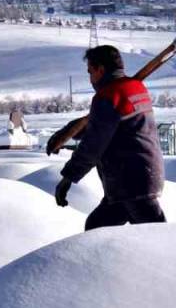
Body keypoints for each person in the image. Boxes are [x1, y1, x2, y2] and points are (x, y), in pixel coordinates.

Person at [53, 45, 167, 230]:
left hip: (130, 183)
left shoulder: (108, 96)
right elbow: (112, 128)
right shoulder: (135, 87)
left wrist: (68, 178)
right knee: (96, 228)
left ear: (101, 69)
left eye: (90, 72)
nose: (90, 79)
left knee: (159, 238)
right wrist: (70, 131)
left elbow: (94, 144)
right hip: (139, 178)